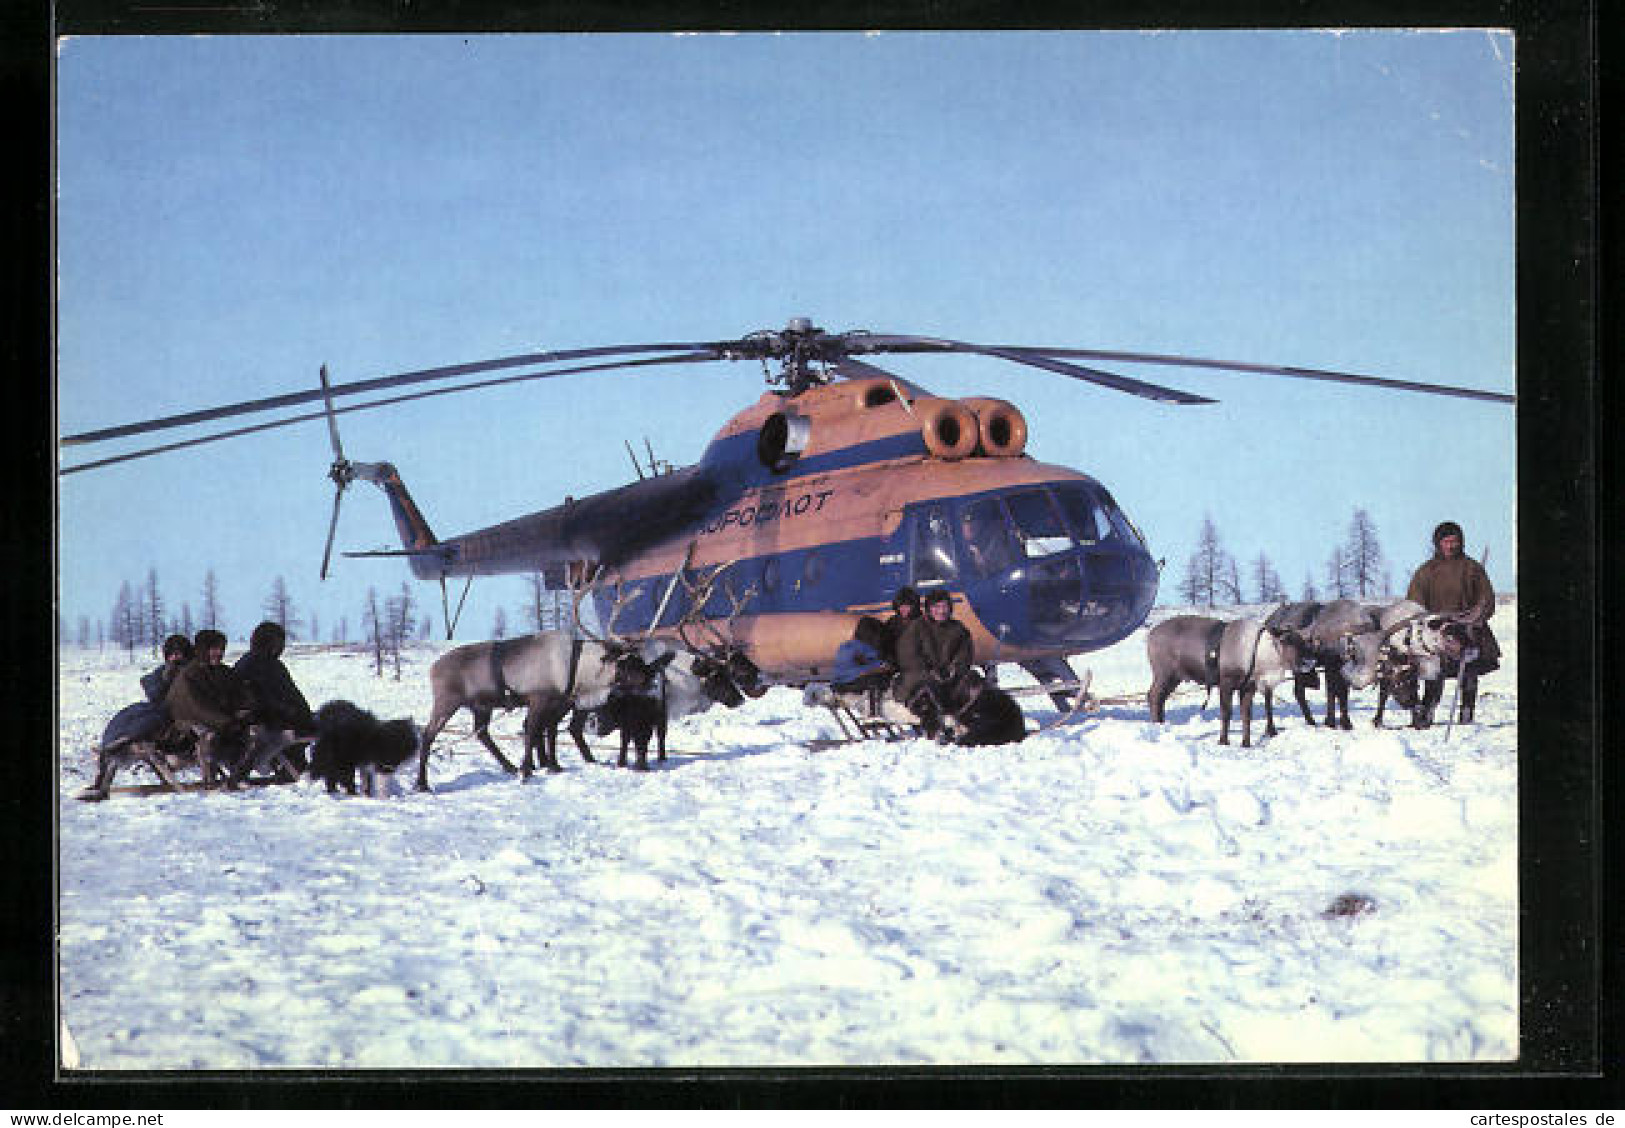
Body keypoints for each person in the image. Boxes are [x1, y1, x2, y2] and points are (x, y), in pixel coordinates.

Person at [1405, 520, 1501, 726]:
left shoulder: (1472, 568)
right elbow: (1413, 604)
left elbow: (1487, 600)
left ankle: (1466, 712)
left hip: (1467, 628)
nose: (1451, 545)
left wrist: (1475, 618)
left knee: (1469, 673)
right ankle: (1428, 710)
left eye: (1455, 541)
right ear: (1438, 543)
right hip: (1436, 631)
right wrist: (1429, 623)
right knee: (1433, 673)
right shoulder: (1425, 572)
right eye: (1446, 541)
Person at [165, 628, 256, 786]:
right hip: (186, 729)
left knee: (253, 733)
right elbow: (196, 707)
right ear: (202, 650)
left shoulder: (225, 673)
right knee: (208, 735)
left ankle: (238, 775)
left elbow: (242, 695)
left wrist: (245, 712)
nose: (219, 653)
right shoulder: (189, 675)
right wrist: (226, 721)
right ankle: (210, 779)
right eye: (214, 649)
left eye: (221, 649)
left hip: (223, 722)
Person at [234, 621, 316, 779]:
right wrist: (293, 712)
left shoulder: (267, 663)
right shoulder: (258, 664)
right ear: (270, 643)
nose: (282, 648)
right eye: (280, 643)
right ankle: (287, 764)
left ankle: (294, 764)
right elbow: (264, 697)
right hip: (268, 718)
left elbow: (290, 693)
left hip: (278, 714)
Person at [895, 589, 975, 738]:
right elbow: (908, 656)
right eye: (936, 607)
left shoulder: (958, 629)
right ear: (929, 609)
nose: (941, 611)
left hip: (949, 679)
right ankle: (934, 729)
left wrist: (954, 670)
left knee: (973, 683)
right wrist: (930, 672)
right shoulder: (917, 628)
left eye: (944, 607)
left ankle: (972, 722)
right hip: (919, 679)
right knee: (928, 692)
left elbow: (965, 655)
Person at [98, 634, 194, 751]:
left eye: (178, 654)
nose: (174, 658)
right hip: (161, 707)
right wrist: (164, 680)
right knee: (131, 712)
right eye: (171, 654)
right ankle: (109, 741)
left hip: (181, 713)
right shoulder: (165, 670)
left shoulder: (194, 671)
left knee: (152, 720)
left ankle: (125, 741)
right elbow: (153, 690)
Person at [830, 616, 896, 715]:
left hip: (839, 684)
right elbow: (877, 666)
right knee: (877, 681)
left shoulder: (847, 646)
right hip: (855, 682)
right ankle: (872, 712)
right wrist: (885, 667)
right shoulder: (865, 648)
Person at [879, 586, 921, 665]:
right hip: (894, 661)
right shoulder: (893, 621)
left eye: (907, 606)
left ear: (914, 606)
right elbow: (883, 641)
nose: (903, 609)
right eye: (901, 606)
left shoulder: (921, 621)